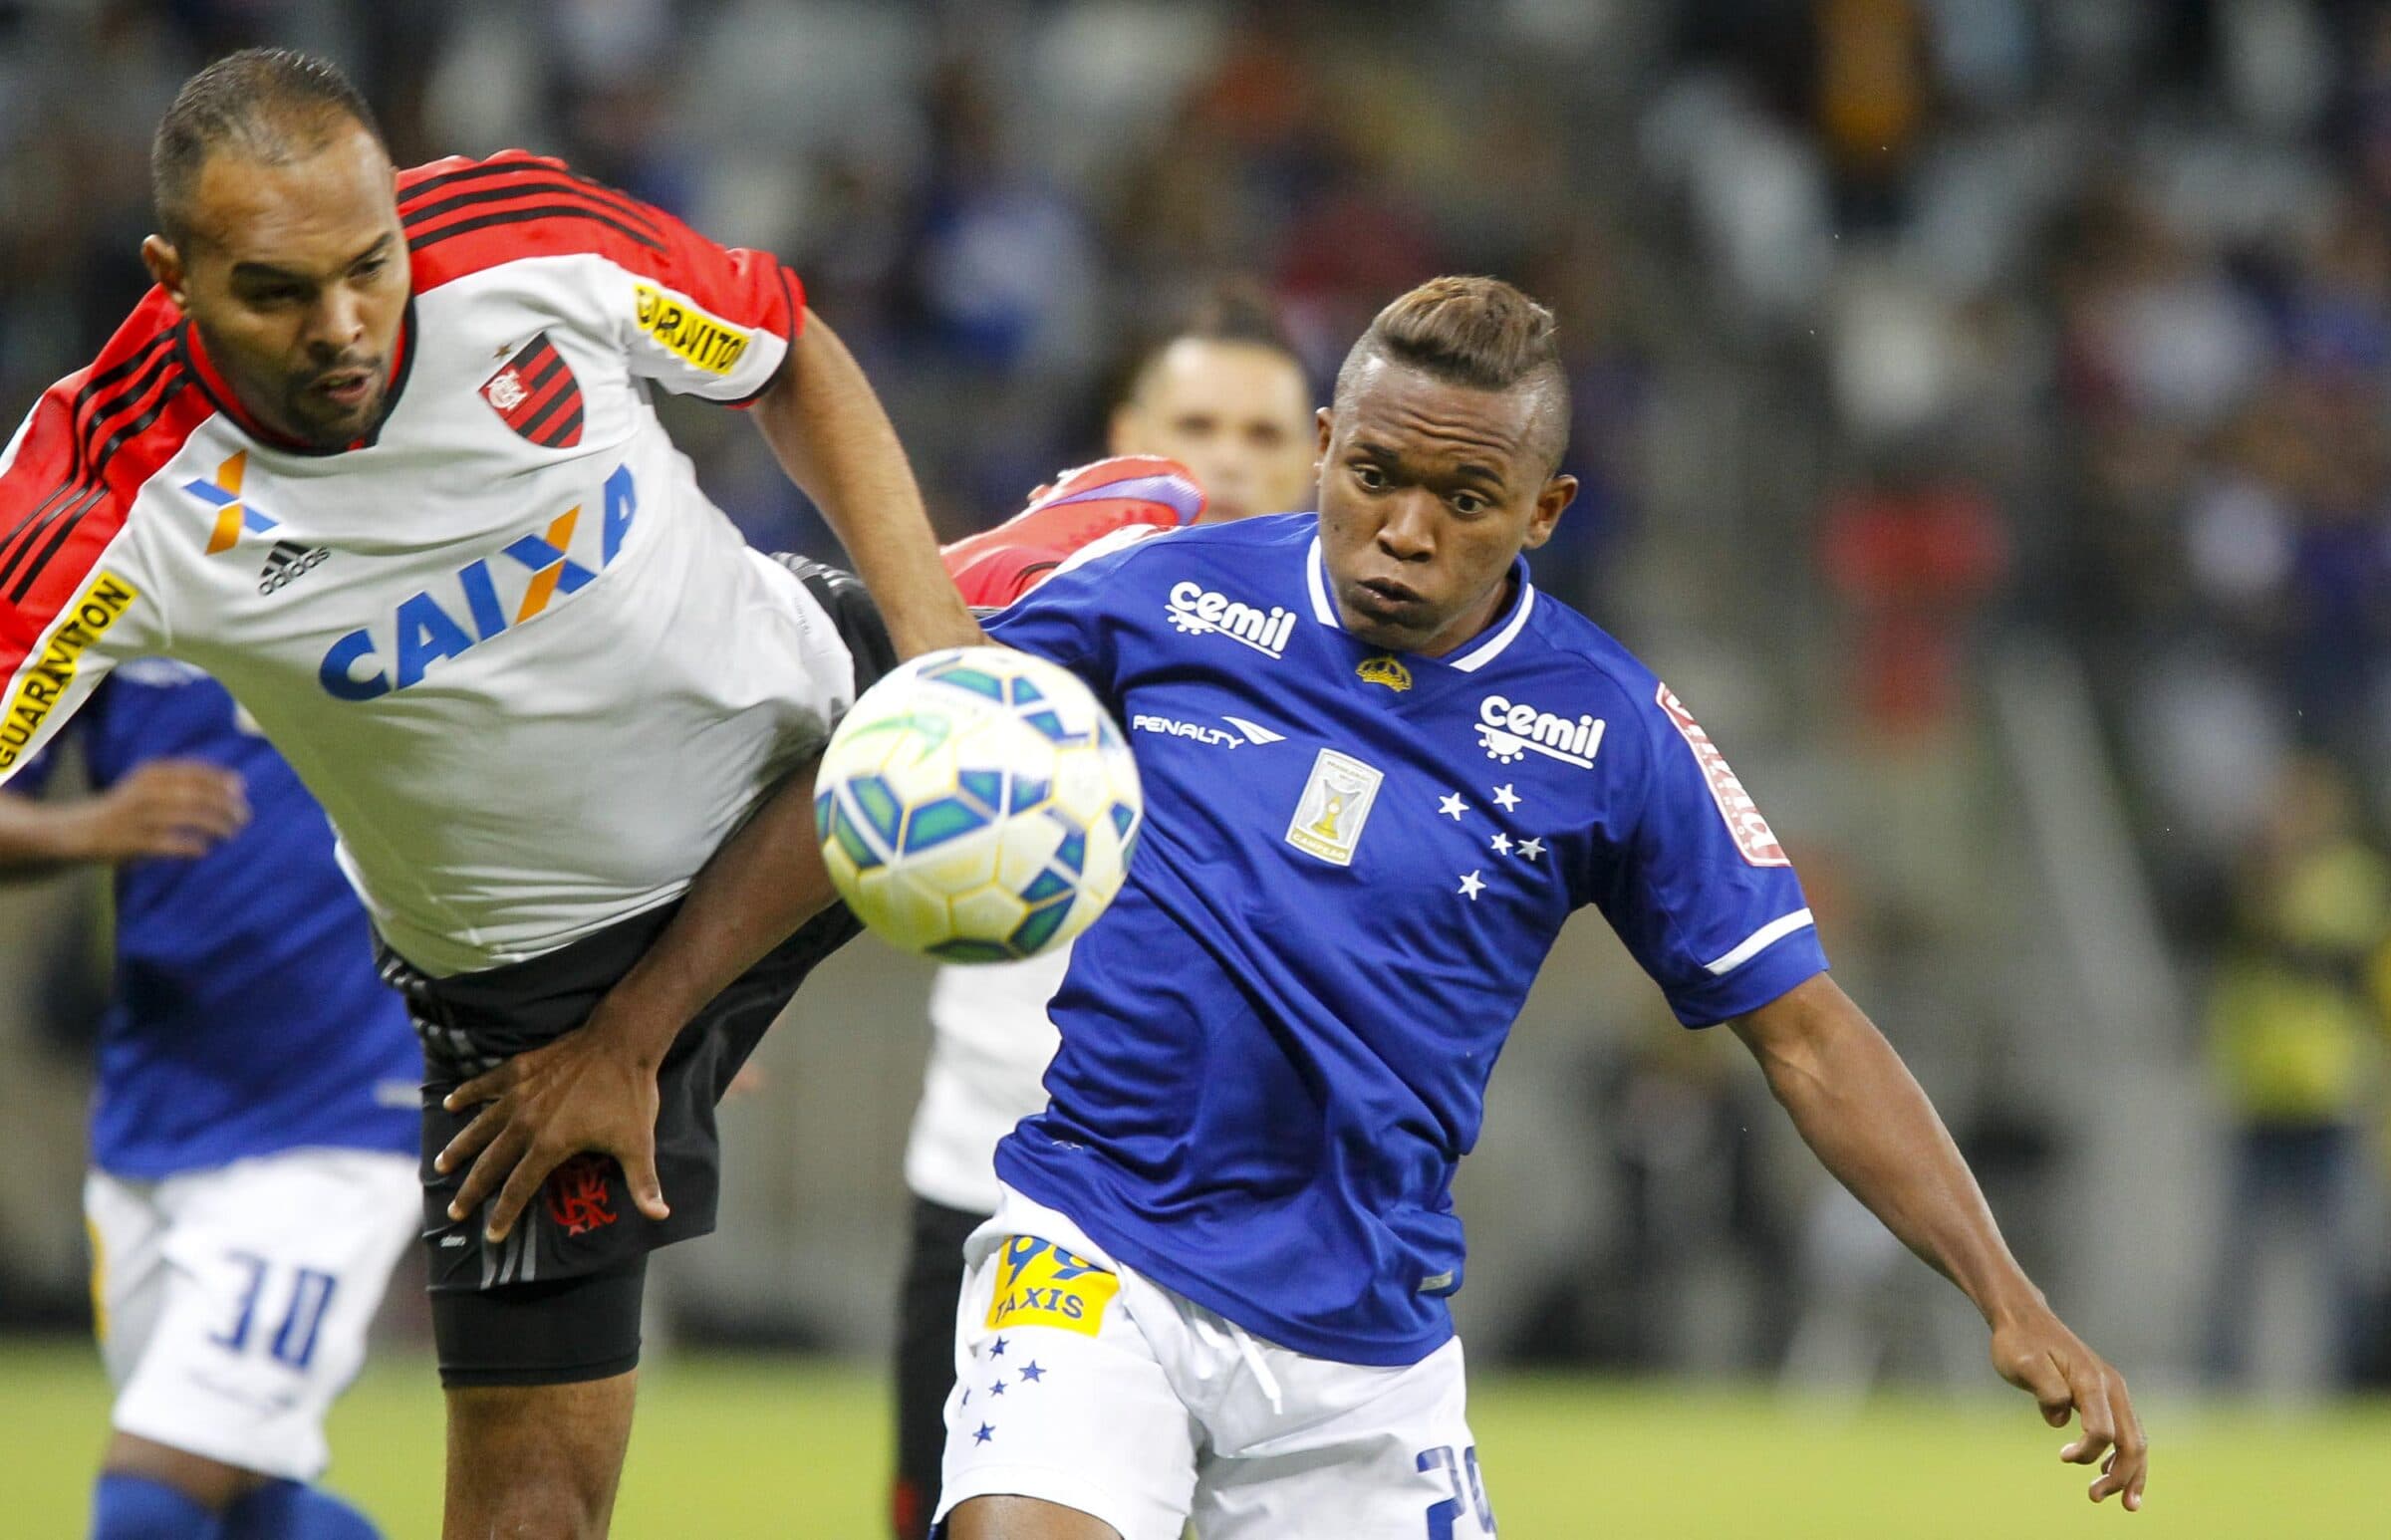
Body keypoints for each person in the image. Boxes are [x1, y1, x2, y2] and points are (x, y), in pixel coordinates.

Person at [922, 277, 2148, 1537]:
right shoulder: (1161, 593)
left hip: (1363, 1356)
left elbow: (1810, 1036)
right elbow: (900, 744)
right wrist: (698, 1009)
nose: (1404, 530)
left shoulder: (1607, 729)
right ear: (1330, 441)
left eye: (1464, 501)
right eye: (1376, 474)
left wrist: (2009, 1294)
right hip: (1098, 1250)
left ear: (1544, 510)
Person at [0, 48, 978, 1539]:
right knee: (527, 1516)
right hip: (541, 1000)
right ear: (170, 272)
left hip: (822, 743)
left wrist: (946, 667)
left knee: (1149, 674)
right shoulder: (105, 485)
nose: (344, 328)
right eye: (275, 290)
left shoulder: (523, 237)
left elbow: (785, 348)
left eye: (370, 265)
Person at [891, 286, 1317, 1538]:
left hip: (1247, 1226)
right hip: (989, 1177)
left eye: (1263, 431)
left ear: (1321, 455)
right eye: (1196, 422)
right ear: (1130, 430)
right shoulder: (1022, 613)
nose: (1229, 456)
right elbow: (866, 780)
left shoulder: (1362, 675)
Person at [0, 663, 418, 1540]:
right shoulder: (95, 567)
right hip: (152, 1106)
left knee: (154, 1492)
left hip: (340, 1107)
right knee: (245, 1503)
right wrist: (89, 825)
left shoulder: (410, 539)